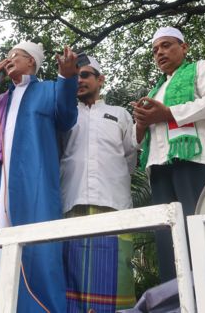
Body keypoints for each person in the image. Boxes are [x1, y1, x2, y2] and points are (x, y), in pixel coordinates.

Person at [0, 42, 79, 313]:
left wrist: (66, 77)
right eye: (8, 56)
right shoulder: (1, 98)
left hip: (31, 183)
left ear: (32, 63)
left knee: (34, 248)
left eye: (17, 55)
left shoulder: (48, 89)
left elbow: (67, 116)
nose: (9, 59)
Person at [132, 27, 205, 282]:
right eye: (155, 50)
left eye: (166, 45)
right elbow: (139, 138)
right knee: (169, 238)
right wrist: (142, 123)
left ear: (184, 47)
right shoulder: (156, 90)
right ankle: (176, 301)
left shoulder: (201, 69)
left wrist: (168, 113)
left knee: (200, 231)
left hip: (196, 162)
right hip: (159, 167)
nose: (160, 53)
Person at [59, 56, 137, 312]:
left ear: (100, 79)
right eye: (76, 76)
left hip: (113, 205)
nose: (79, 80)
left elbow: (129, 159)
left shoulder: (120, 114)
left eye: (86, 75)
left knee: (117, 277)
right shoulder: (65, 115)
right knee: (71, 280)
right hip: (72, 203)